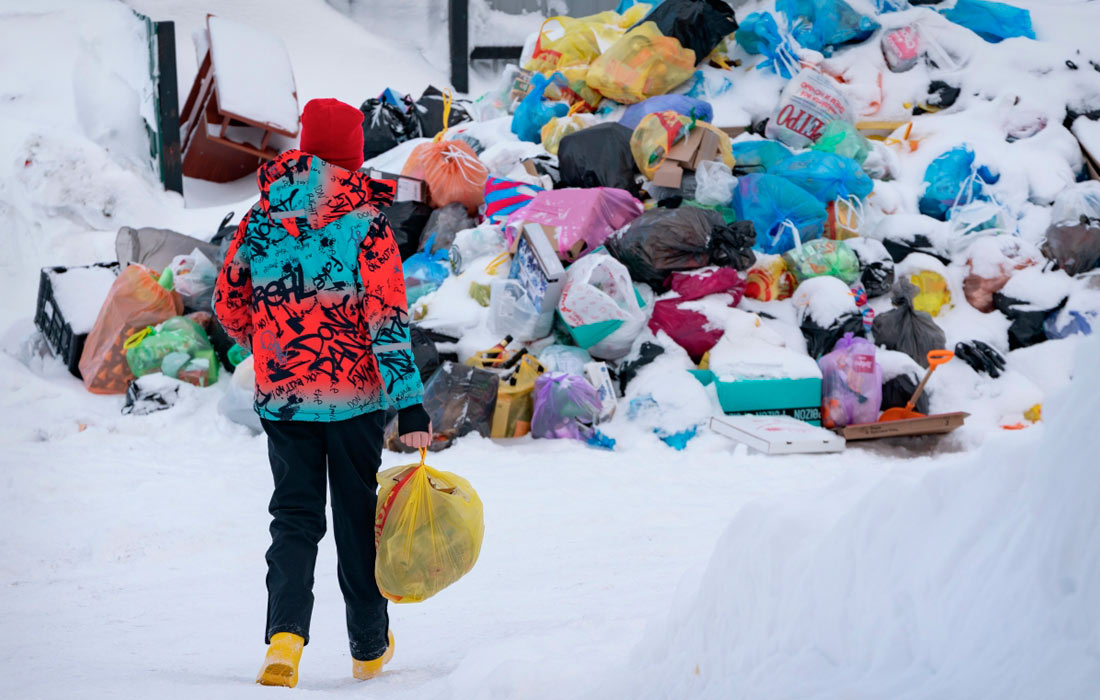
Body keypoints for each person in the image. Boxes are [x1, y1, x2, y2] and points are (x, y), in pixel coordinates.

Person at [213, 97, 432, 688]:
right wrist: (409, 401)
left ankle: (284, 640)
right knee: (357, 516)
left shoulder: (261, 219)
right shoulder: (367, 224)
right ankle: (366, 645)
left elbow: (229, 304)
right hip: (354, 398)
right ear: (355, 155)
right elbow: (386, 321)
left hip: (284, 396)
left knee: (293, 515)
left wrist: (266, 339)